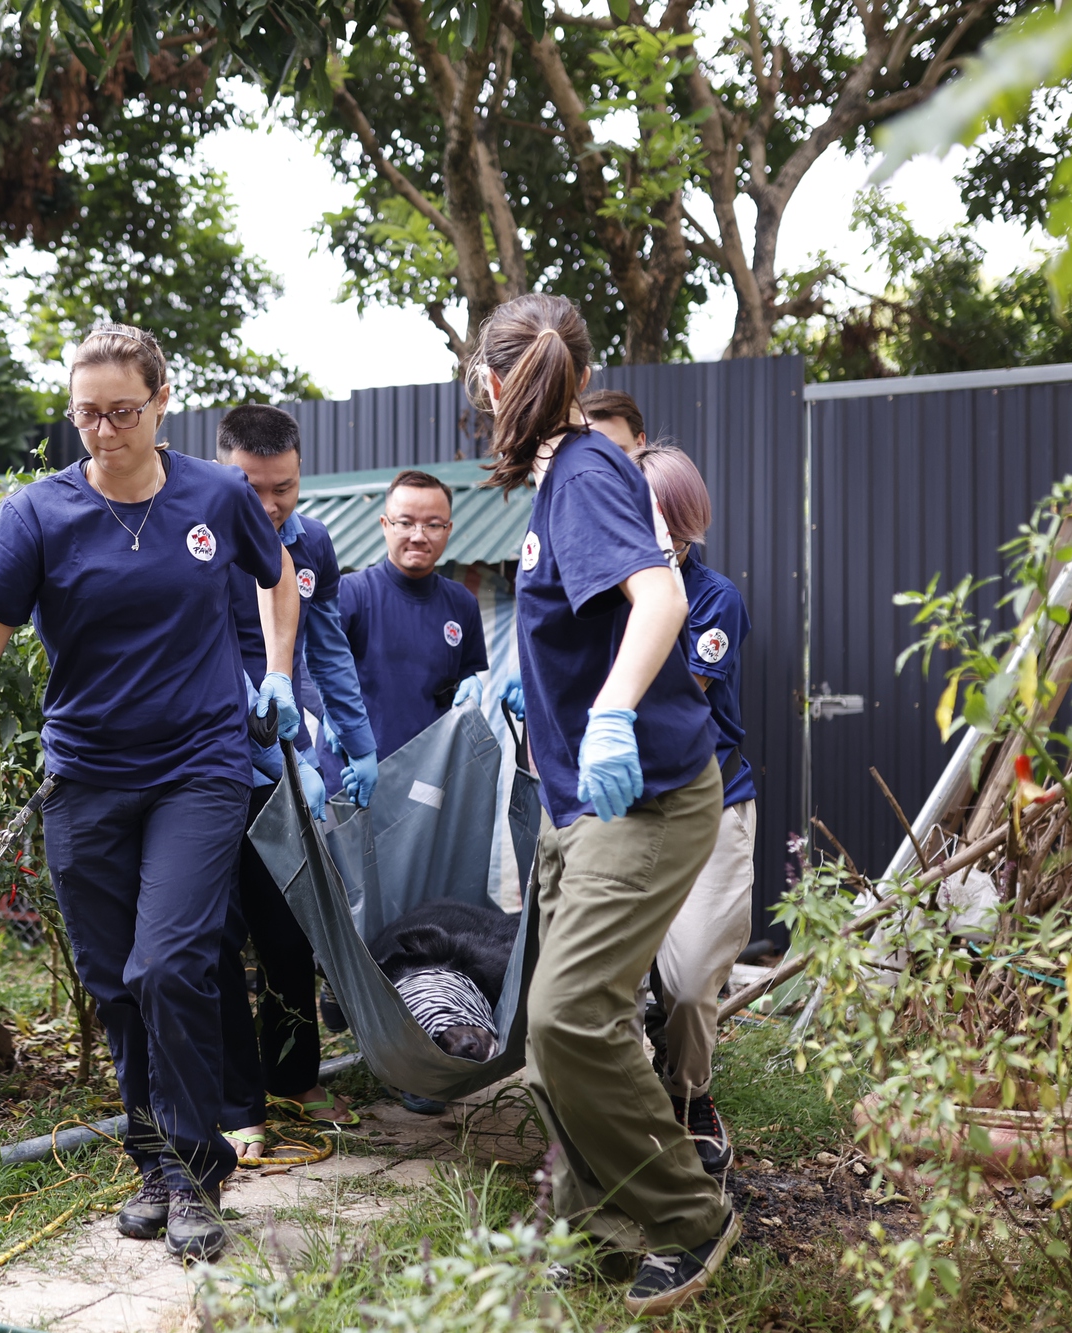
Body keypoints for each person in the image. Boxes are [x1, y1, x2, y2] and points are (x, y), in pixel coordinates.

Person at [0, 322, 304, 1262]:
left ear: (163, 403)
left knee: (172, 964)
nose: (103, 431)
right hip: (86, 773)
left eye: (122, 411)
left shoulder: (215, 495)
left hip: (199, 765)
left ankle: (200, 1175)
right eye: (86, 414)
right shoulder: (38, 514)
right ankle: (157, 1166)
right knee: (114, 982)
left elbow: (277, 580)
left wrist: (278, 668)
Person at [474, 293, 737, 1317]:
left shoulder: (583, 474)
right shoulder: (570, 474)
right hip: (582, 803)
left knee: (569, 1016)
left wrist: (612, 716)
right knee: (553, 1038)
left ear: (493, 382)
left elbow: (661, 598)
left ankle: (688, 1215)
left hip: (643, 798)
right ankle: (605, 1219)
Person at [584, 394, 755, 1177]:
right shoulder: (606, 589)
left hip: (711, 800)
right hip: (624, 805)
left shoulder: (713, 599)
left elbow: (676, 685)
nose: (664, 535)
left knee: (688, 984)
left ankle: (691, 1094)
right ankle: (629, 1114)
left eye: (675, 520)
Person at [213, 406, 374, 1162]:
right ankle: (232, 1099)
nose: (271, 504)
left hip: (289, 766)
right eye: (254, 486)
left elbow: (329, 644)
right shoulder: (201, 535)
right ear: (225, 473)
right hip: (214, 763)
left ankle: (294, 1079)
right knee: (217, 938)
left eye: (285, 486)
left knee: (290, 931)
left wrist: (356, 740)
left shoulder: (312, 543)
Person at [328, 470, 490, 765]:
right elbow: (311, 668)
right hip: (351, 771)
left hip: (428, 773)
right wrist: (332, 717)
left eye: (433, 525)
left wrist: (471, 682)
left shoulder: (462, 603)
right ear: (385, 524)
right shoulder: (351, 593)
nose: (418, 536)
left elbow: (466, 674)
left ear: (448, 529)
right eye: (405, 523)